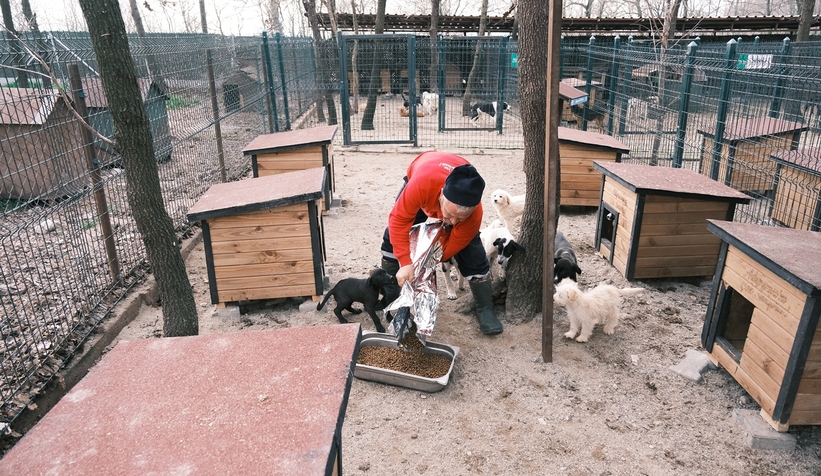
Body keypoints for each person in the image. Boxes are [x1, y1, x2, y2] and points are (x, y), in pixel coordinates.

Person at [379, 150, 503, 335]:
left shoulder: (473, 217)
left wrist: (424, 264)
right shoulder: (421, 186)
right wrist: (405, 262)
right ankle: (392, 298)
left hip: (453, 183)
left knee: (474, 255)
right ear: (441, 197)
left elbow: (447, 250)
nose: (452, 221)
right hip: (426, 169)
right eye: (450, 214)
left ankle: (485, 309)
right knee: (392, 239)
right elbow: (399, 220)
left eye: (459, 218)